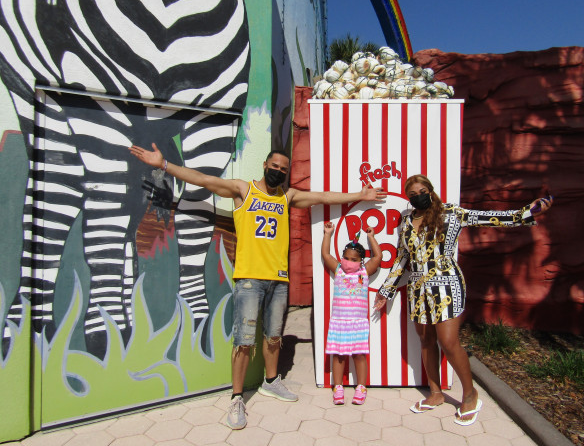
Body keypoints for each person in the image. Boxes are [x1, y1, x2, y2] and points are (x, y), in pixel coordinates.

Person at [129, 143, 386, 430]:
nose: (278, 171)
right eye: (274, 166)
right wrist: (164, 165)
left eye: (283, 169)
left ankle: (271, 381)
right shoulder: (243, 189)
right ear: (265, 165)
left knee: (274, 336)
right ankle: (237, 397)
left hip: (278, 279)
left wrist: (360, 195)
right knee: (244, 340)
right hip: (250, 278)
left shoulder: (287, 196)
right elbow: (204, 180)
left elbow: (323, 196)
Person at [373, 174, 552, 426]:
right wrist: (386, 289)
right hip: (417, 288)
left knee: (448, 341)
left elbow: (490, 218)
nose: (417, 197)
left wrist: (525, 213)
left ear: (431, 190)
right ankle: (435, 394)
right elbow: (402, 258)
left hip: (446, 283)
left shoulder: (451, 213)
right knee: (426, 340)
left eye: (421, 191)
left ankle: (470, 394)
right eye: (412, 195)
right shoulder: (406, 219)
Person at [321, 223, 382, 406]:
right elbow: (325, 254)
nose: (349, 262)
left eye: (354, 259)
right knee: (339, 355)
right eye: (346, 258)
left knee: (359, 354)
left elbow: (378, 256)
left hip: (358, 322)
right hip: (339, 321)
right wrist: (328, 234)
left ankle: (361, 386)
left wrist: (371, 237)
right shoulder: (339, 270)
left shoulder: (364, 272)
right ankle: (337, 386)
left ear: (361, 261)